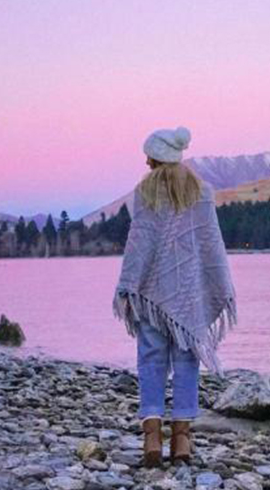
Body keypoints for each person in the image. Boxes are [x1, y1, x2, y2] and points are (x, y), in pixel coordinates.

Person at [112, 126, 237, 467]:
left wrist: (130, 285)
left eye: (148, 153)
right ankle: (181, 439)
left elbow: (138, 245)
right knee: (186, 362)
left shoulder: (144, 193)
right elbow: (210, 247)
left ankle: (152, 436)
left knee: (150, 360)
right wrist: (216, 285)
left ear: (155, 156)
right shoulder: (202, 191)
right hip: (190, 295)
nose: (145, 158)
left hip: (151, 293)